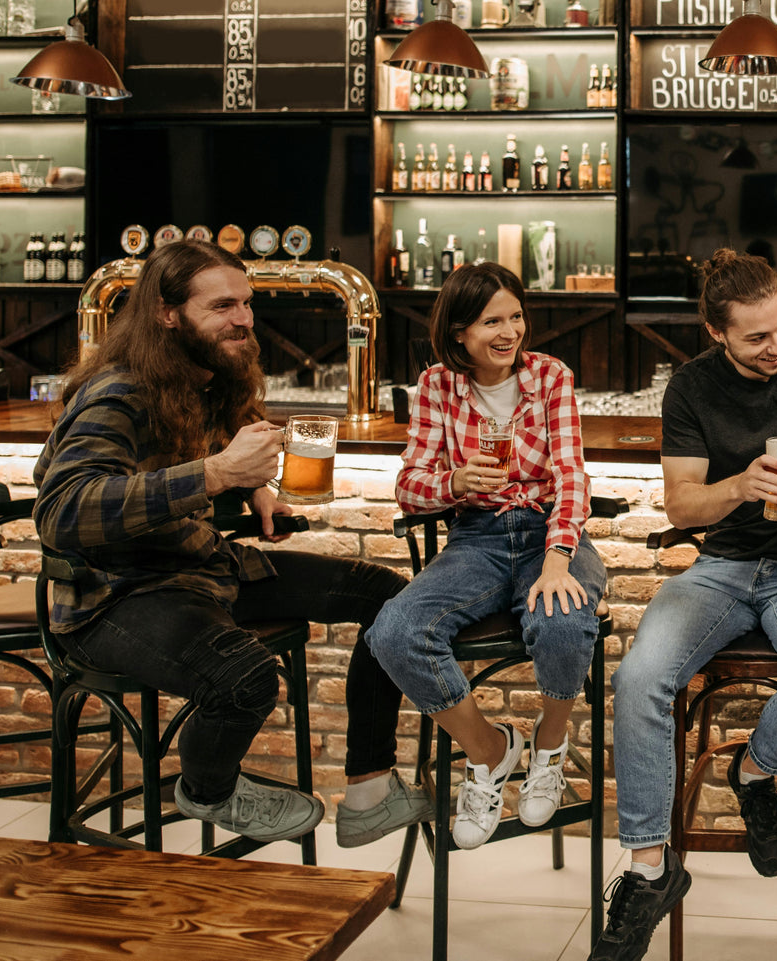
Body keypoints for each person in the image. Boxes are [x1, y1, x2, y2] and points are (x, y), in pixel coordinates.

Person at [33, 239, 429, 847]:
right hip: (114, 598)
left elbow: (233, 424)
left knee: (386, 598)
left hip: (198, 569)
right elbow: (63, 510)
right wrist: (217, 474)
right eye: (221, 306)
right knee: (245, 674)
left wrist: (254, 488)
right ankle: (209, 789)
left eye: (245, 303)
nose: (242, 318)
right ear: (168, 313)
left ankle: (371, 789)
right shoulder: (119, 392)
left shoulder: (206, 372)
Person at [588, 249, 777, 961]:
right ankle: (649, 871)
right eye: (757, 337)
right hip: (722, 567)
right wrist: (739, 485)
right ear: (715, 331)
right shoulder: (692, 388)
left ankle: (754, 772)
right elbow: (683, 502)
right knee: (638, 679)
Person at [363, 262, 607, 849]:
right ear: (458, 334)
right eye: (491, 320)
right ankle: (491, 751)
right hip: (477, 539)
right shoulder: (436, 389)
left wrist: (557, 561)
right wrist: (453, 483)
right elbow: (409, 486)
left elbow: (572, 477)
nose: (509, 331)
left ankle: (549, 746)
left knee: (564, 620)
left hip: (552, 533)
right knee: (392, 632)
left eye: (516, 316)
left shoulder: (551, 377)